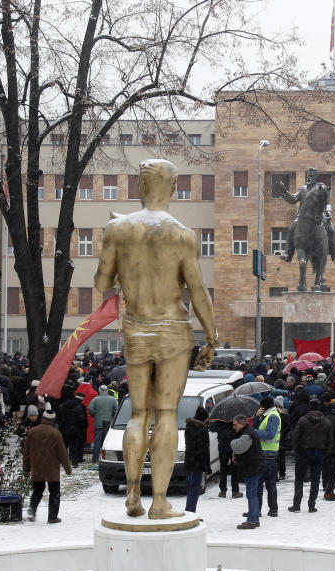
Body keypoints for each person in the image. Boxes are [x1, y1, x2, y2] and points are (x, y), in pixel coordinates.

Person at [94, 158, 217, 519]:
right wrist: (211, 336)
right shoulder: (182, 235)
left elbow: (101, 283)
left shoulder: (119, 230)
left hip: (136, 329)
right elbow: (198, 292)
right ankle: (159, 501)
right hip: (173, 333)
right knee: (165, 414)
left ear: (140, 186)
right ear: (174, 188)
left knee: (138, 415)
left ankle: (132, 494)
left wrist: (120, 254)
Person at [279, 168, 335, 263]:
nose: (309, 178)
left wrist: (329, 212)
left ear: (316, 177)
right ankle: (287, 253)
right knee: (292, 227)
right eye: (308, 176)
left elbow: (328, 202)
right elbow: (294, 199)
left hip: (319, 215)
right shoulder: (302, 189)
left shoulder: (322, 187)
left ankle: (334, 254)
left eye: (312, 176)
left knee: (331, 229)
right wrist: (284, 191)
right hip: (302, 216)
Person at [23, 408, 73, 524]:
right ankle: (52, 517)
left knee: (37, 491)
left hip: (37, 468)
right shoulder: (55, 433)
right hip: (52, 470)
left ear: (43, 418)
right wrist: (67, 468)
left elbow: (26, 453)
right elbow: (62, 453)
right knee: (54, 492)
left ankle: (32, 512)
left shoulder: (32, 432)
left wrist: (26, 470)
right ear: (53, 420)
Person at [288, 398, 332, 512]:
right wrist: (324, 452)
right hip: (319, 452)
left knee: (299, 478)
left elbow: (295, 437)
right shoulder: (326, 422)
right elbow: (330, 440)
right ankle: (312, 505)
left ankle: (296, 504)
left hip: (304, 451)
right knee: (315, 479)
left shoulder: (303, 420)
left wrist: (297, 450)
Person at [230, 414, 264, 529]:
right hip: (254, 466)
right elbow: (247, 452)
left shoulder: (247, 435)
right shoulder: (248, 432)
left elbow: (238, 448)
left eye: (235, 425)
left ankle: (252, 521)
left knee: (251, 494)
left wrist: (237, 457)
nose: (234, 427)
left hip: (253, 467)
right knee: (252, 494)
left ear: (242, 424)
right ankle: (254, 516)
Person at [253, 396, 281, 518]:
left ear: (264, 407)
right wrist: (256, 417)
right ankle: (261, 510)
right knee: (266, 484)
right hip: (265, 454)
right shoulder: (267, 416)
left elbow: (269, 435)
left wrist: (253, 432)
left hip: (268, 455)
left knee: (265, 485)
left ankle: (270, 510)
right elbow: (260, 428)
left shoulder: (273, 416)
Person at [183, 406, 211, 513]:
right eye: (206, 419)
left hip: (190, 462)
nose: (207, 421)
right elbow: (204, 451)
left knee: (191, 488)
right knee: (194, 490)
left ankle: (189, 511)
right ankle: (190, 513)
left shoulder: (189, 427)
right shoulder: (202, 430)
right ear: (203, 418)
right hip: (198, 464)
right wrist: (207, 467)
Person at [212, 418, 242, 498]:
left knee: (223, 469)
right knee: (235, 469)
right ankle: (235, 491)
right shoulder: (235, 419)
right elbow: (238, 432)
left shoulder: (219, 419)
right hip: (233, 447)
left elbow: (214, 429)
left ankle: (223, 491)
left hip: (223, 447)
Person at [88, 385, 117, 462]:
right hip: (109, 423)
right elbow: (116, 411)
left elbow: (90, 409)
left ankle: (95, 458)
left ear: (99, 390)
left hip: (98, 423)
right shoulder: (113, 400)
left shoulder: (95, 400)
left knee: (97, 442)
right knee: (107, 442)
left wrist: (94, 415)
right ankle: (108, 458)